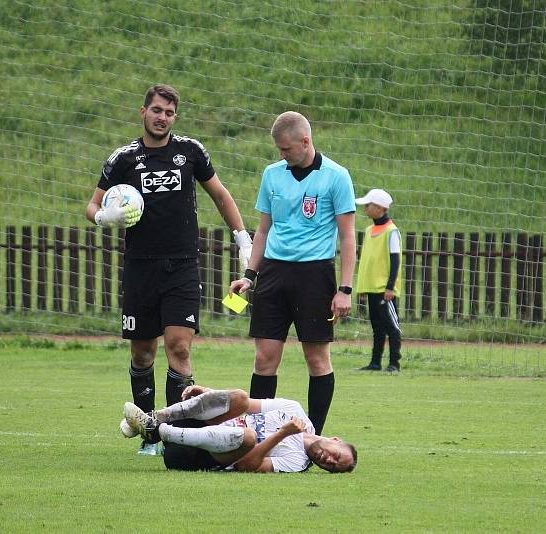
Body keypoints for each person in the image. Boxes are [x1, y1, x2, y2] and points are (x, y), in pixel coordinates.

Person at [86, 84, 253, 456]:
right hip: (140, 269)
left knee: (179, 347)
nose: (163, 117)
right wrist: (103, 216)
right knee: (142, 354)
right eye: (157, 110)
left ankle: (174, 432)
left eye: (169, 112)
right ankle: (147, 431)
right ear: (142, 111)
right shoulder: (123, 159)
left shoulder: (190, 152)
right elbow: (92, 204)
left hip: (182, 267)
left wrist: (242, 237)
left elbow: (221, 195)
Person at [229, 111, 356, 436]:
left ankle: (312, 438)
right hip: (273, 274)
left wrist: (345, 289)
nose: (281, 155)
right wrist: (249, 275)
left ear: (305, 141)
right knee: (264, 359)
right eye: (278, 150)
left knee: (317, 359)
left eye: (286, 149)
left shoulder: (337, 176)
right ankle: (257, 436)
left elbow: (347, 237)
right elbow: (263, 230)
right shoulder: (272, 175)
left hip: (315, 276)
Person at [122, 385, 358, 473]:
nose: (327, 459)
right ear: (335, 440)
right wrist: (209, 393)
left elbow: (246, 466)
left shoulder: (297, 463)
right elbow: (245, 404)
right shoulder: (294, 409)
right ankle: (156, 418)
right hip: (197, 425)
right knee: (242, 397)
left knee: (249, 437)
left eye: (331, 466)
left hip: (195, 455)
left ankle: (158, 432)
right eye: (335, 455)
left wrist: (281, 434)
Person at [354, 188, 403, 372]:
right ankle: (375, 363)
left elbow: (395, 260)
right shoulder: (368, 230)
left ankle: (394, 363)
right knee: (377, 328)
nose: (365, 208)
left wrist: (390, 287)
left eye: (369, 205)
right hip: (371, 288)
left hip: (384, 289)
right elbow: (367, 261)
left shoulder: (392, 231)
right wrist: (361, 287)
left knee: (392, 326)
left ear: (381, 208)